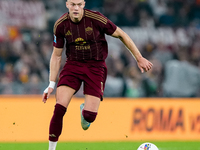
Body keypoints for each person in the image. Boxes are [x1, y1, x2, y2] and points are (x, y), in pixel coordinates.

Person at [42, 0, 153, 150]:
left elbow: (121, 34)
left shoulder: (96, 19)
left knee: (89, 116)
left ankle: (84, 111)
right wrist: (51, 84)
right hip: (73, 65)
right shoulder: (60, 25)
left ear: (84, 4)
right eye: (73, 4)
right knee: (59, 108)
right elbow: (56, 56)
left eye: (79, 4)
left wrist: (139, 58)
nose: (76, 8)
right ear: (67, 4)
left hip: (95, 67)